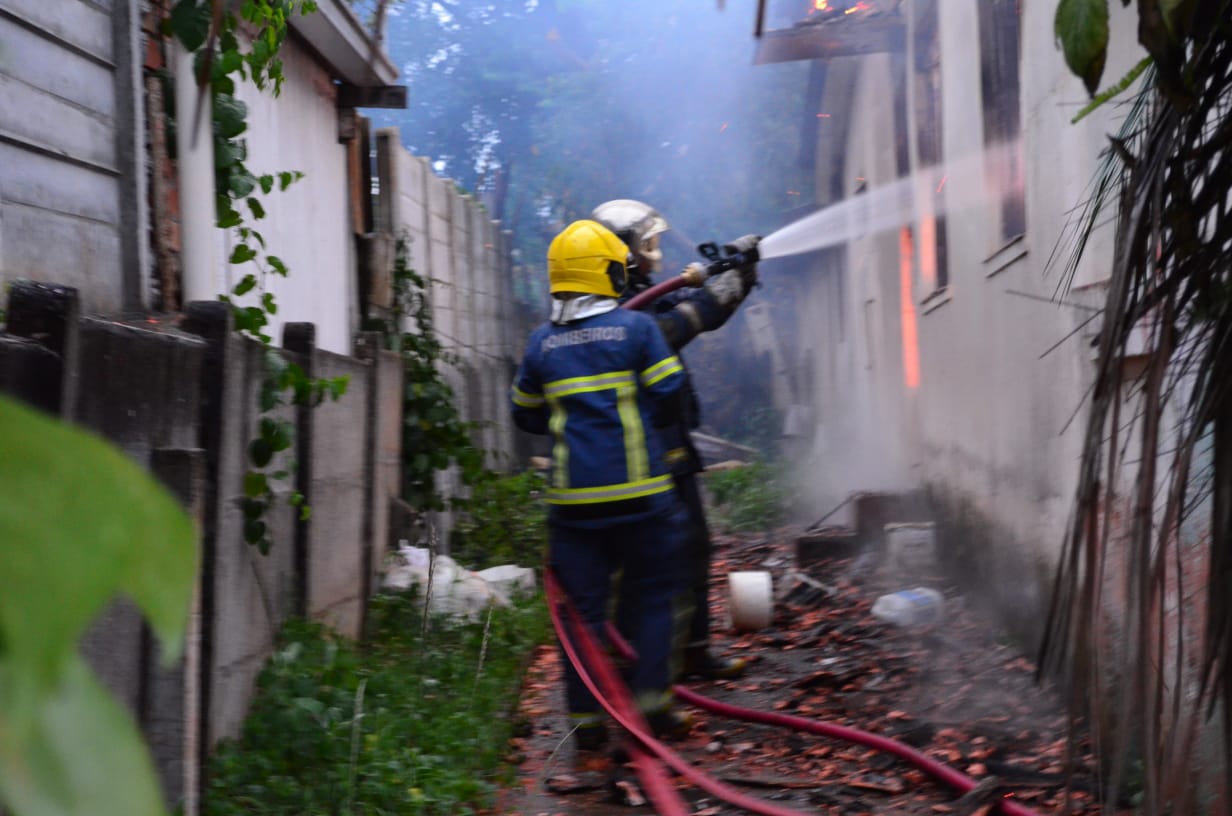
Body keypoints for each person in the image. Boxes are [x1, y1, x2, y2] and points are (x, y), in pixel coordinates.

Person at [510, 218, 693, 750]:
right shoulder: (638, 331)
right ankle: (653, 711)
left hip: (575, 511)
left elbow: (524, 415)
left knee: (582, 616)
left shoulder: (541, 346)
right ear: (609, 273)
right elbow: (671, 395)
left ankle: (587, 728)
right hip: (643, 500)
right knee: (657, 598)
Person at [591, 199, 759, 681]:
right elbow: (672, 328)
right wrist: (718, 295)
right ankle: (647, 666)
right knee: (657, 559)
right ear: (620, 250)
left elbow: (688, 311)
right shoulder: (607, 305)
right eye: (646, 244)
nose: (654, 253)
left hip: (671, 440)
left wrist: (735, 274)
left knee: (695, 546)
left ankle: (693, 652)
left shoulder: (637, 291)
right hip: (642, 451)